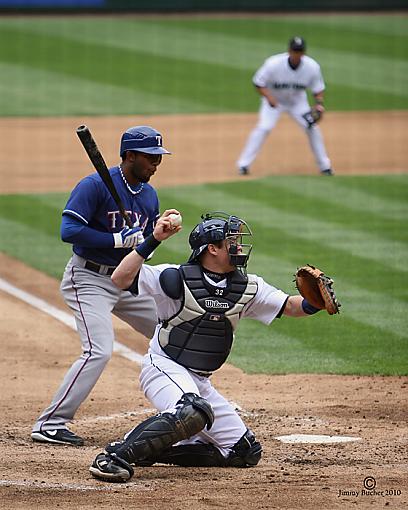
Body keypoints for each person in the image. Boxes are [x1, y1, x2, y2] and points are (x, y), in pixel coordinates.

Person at [89, 210, 334, 482]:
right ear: (213, 248)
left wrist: (315, 303)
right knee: (191, 412)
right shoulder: (174, 278)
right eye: (232, 241)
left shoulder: (247, 287)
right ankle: (113, 457)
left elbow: (290, 306)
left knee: (243, 451)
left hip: (201, 380)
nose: (239, 246)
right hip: (164, 367)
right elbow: (119, 279)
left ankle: (152, 450)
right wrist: (153, 240)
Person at [31, 125, 171, 446]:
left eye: (159, 158)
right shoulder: (94, 185)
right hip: (89, 278)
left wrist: (154, 234)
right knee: (99, 349)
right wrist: (115, 238)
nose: (156, 164)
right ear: (130, 156)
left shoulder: (149, 195)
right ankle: (50, 423)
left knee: (171, 335)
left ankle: (185, 410)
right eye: (150, 157)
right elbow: (69, 230)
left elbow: (143, 244)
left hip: (126, 278)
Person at [237, 36, 334, 176]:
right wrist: (269, 98)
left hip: (297, 102)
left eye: (300, 51)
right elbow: (258, 82)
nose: (297, 54)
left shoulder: (312, 67)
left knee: (312, 128)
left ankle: (325, 166)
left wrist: (319, 105)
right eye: (295, 51)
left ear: (304, 53)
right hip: (274, 101)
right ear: (289, 51)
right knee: (264, 127)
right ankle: (243, 165)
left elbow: (318, 89)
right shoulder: (273, 64)